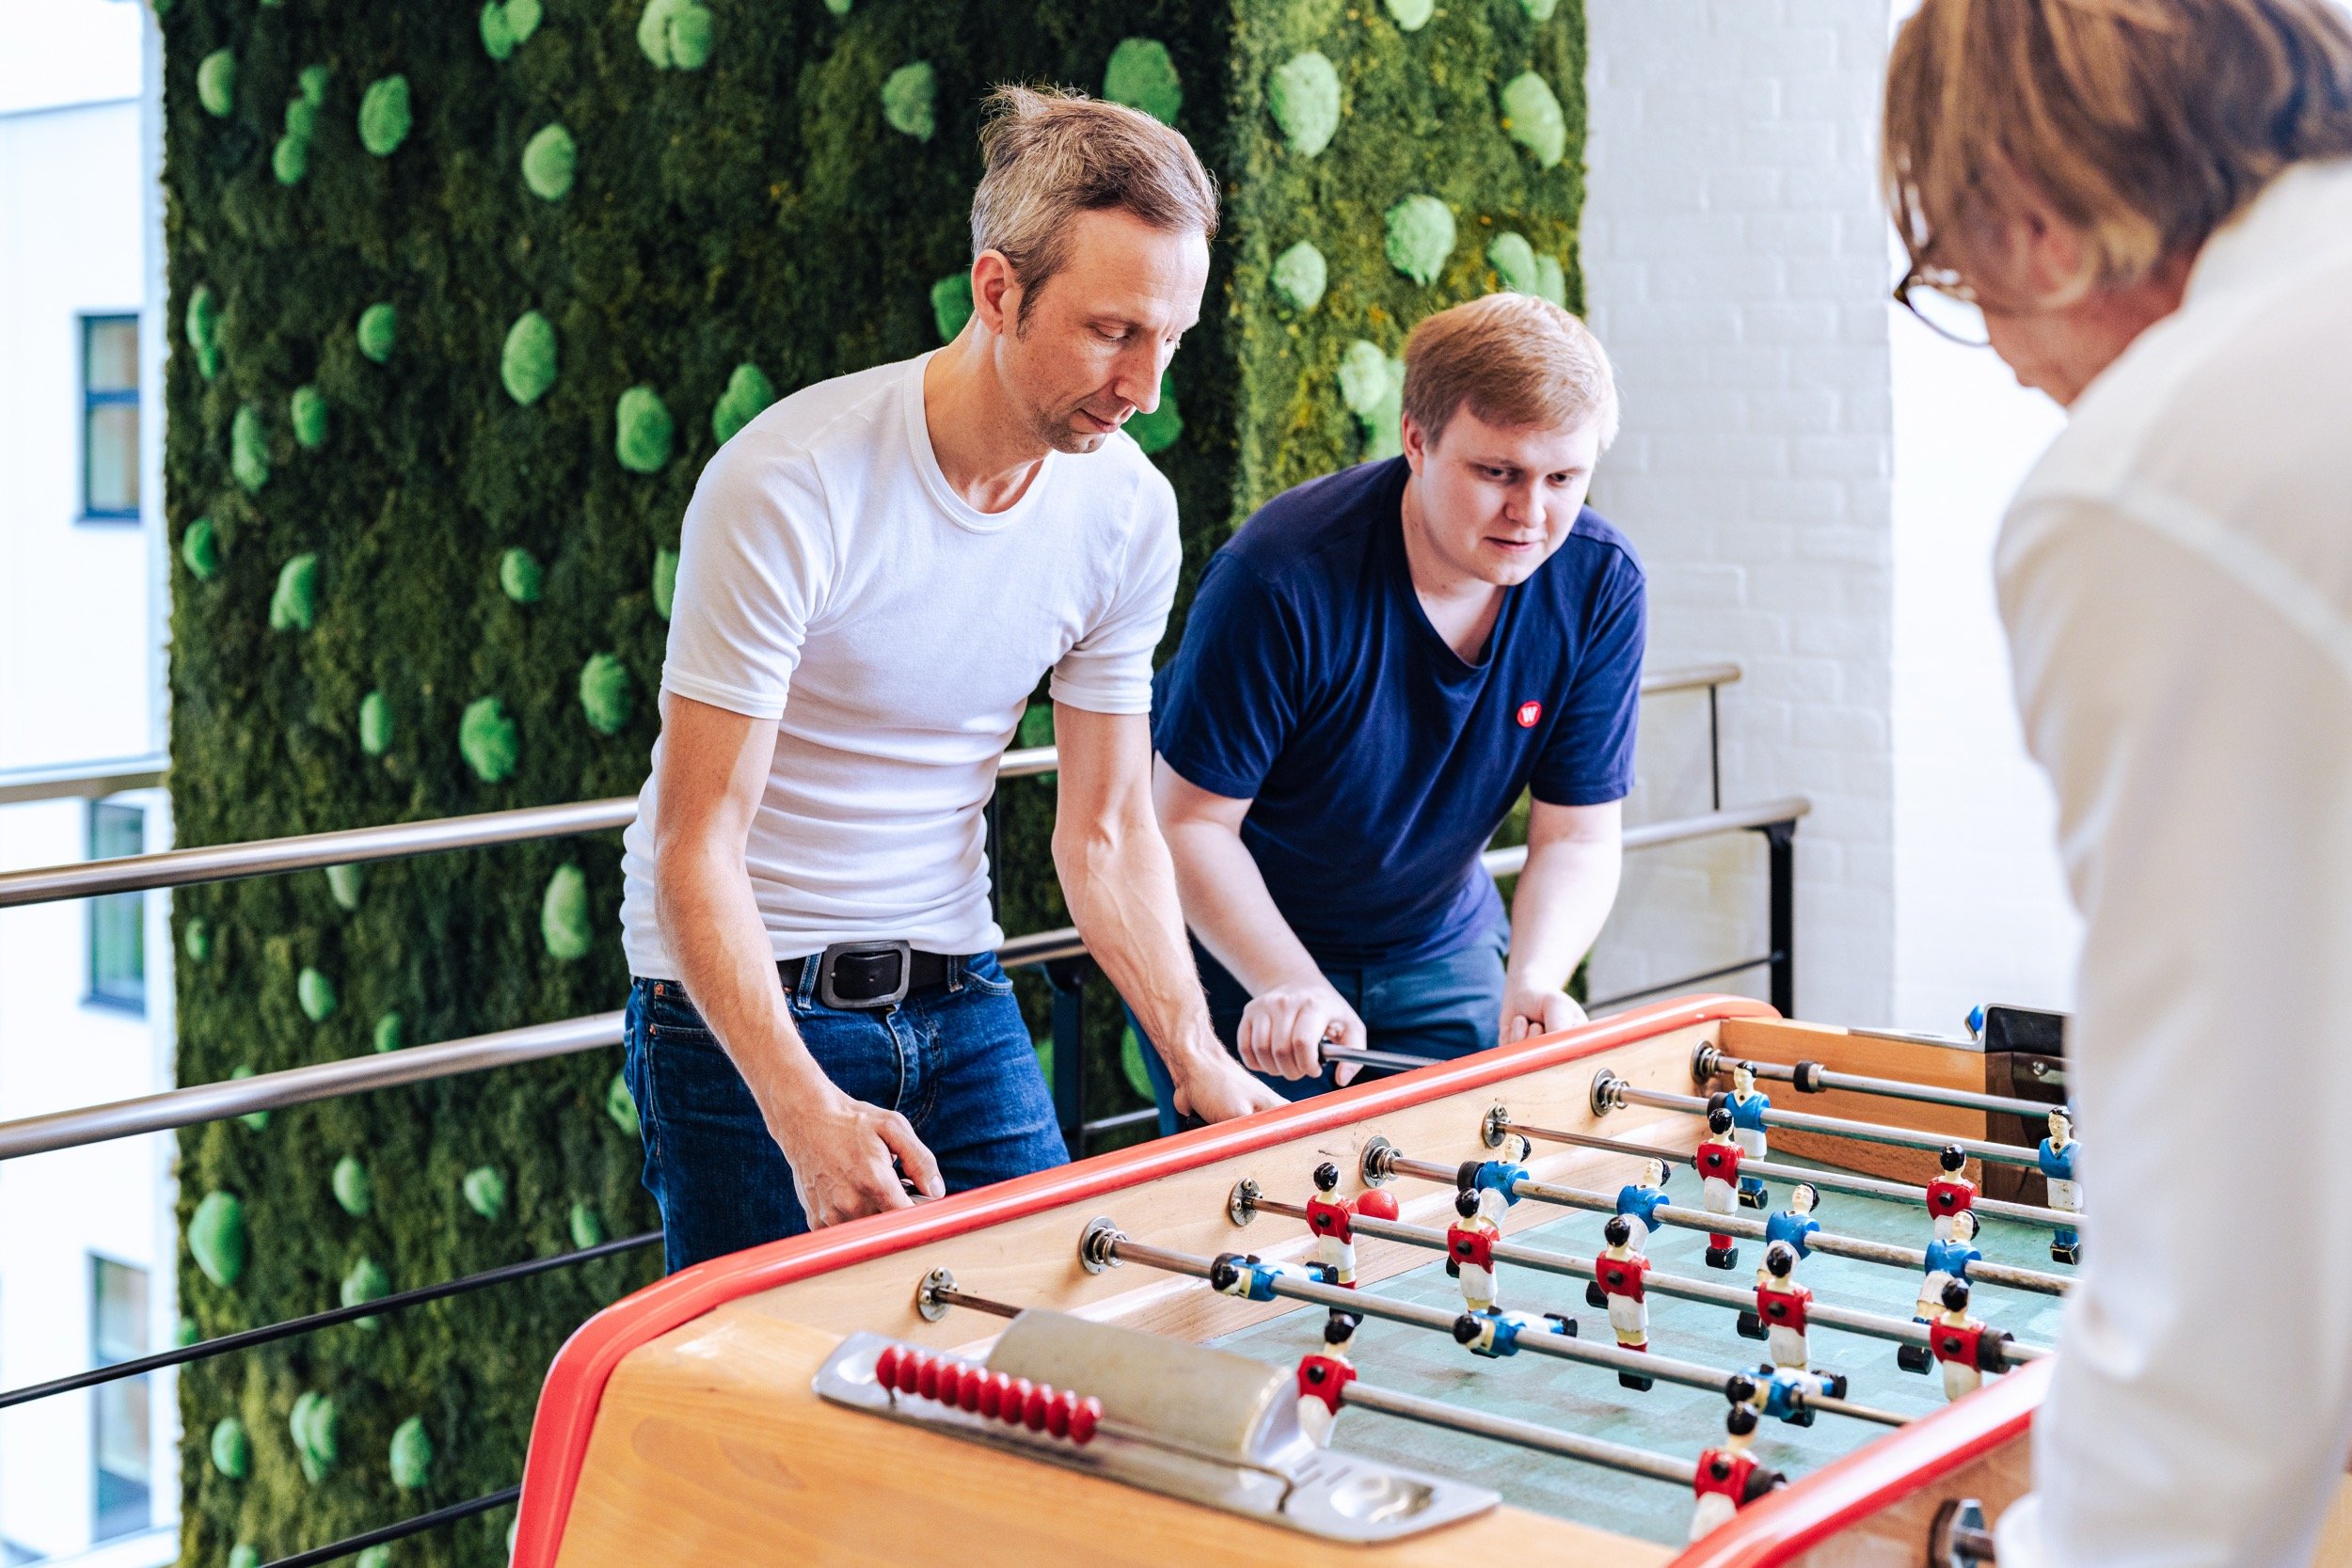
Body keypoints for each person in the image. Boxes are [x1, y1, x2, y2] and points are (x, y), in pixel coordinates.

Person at [614, 87, 1281, 1273]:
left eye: (1170, 337)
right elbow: (694, 843)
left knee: (1043, 1334)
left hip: (960, 986)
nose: (1146, 387)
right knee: (780, 1404)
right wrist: (798, 1105)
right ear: (997, 290)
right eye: (1112, 331)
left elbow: (1113, 828)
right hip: (738, 1006)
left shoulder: (1127, 508)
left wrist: (1199, 1056)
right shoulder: (790, 483)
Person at [1880, 3, 2352, 1562]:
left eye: (1959, 276)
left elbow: (2226, 1277)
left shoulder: (2155, 479)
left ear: (2032, 217)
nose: (2007, 360)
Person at [1134, 293, 1644, 1129]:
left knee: (1476, 1199)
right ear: (1416, 438)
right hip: (1246, 950)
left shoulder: (1600, 581)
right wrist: (1287, 978)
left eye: (1563, 478)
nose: (1532, 512)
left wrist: (1538, 979)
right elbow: (1187, 824)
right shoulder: (1279, 577)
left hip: (1443, 940)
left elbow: (1579, 832)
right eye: (1497, 473)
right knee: (1267, 1232)